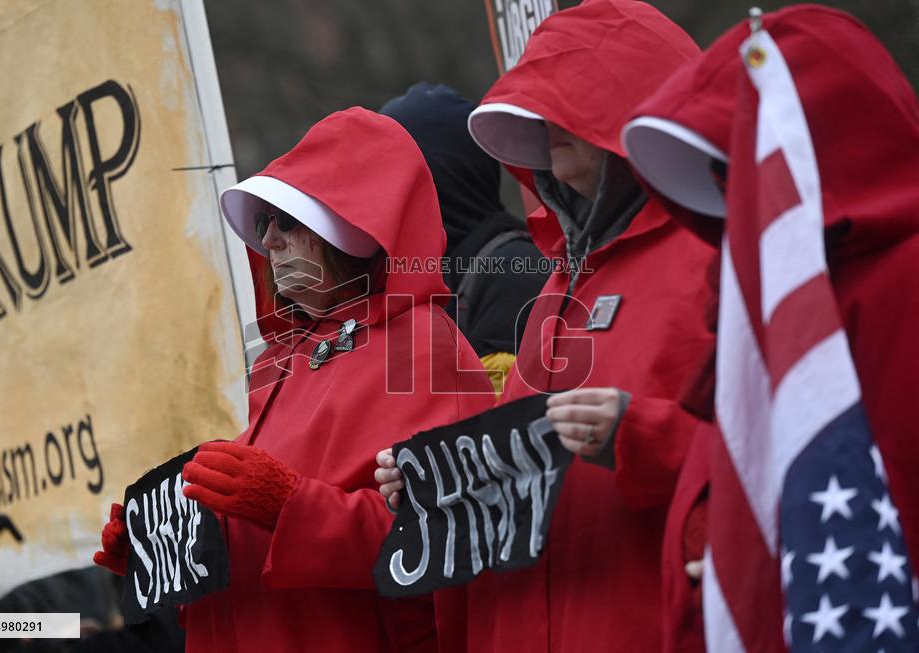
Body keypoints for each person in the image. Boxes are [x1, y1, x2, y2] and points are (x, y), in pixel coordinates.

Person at [376, 1, 718, 651]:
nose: (544, 121)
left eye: (569, 99)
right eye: (536, 107)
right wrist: (433, 485)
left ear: (631, 104)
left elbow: (774, 448)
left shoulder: (712, 258)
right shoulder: (557, 284)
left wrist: (638, 435)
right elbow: (519, 468)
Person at [94, 107, 495, 653]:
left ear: (354, 228)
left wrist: (290, 508)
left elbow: (453, 535)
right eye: (265, 223)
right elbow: (249, 545)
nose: (270, 240)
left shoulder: (423, 343)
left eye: (288, 220)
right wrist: (162, 550)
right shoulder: (280, 358)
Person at [622, 5, 919, 650]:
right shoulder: (746, 297)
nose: (739, 197)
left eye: (747, 167)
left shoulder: (903, 284)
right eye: (723, 177)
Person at [380, 82, 548, 394]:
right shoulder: (415, 276)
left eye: (388, 170)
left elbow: (493, 422)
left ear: (434, 174)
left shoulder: (513, 270)